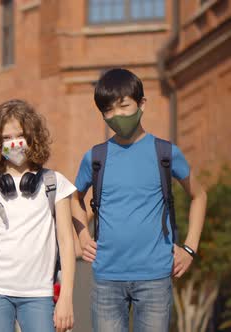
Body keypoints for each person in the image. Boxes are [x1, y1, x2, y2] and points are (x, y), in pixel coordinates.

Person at [72, 68, 207, 332]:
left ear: (141, 104)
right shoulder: (96, 158)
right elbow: (72, 200)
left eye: (124, 106)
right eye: (108, 110)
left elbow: (199, 195)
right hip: (107, 279)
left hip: (155, 277)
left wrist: (190, 249)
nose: (117, 116)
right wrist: (83, 237)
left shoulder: (165, 152)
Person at [0, 100, 76, 332]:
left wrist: (66, 298)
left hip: (39, 294)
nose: (14, 143)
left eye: (20, 135)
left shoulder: (55, 183)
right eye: (6, 138)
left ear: (33, 138)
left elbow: (66, 244)